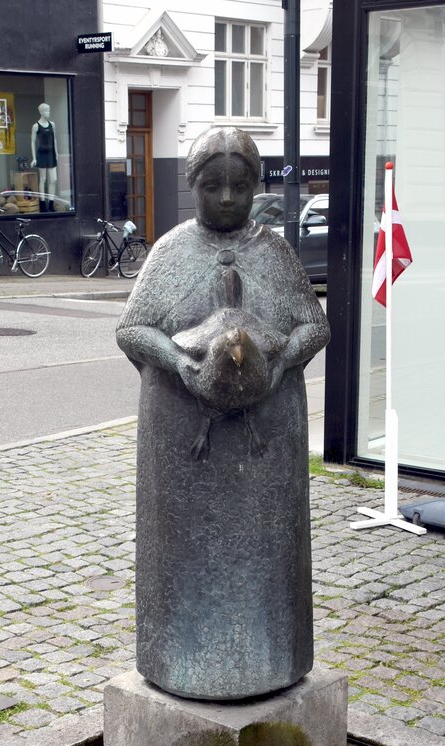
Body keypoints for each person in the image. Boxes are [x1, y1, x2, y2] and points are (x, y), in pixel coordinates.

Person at [116, 126, 330, 701]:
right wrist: (178, 361)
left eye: (240, 186)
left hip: (268, 436)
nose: (229, 198)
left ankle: (272, 657)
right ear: (193, 187)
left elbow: (315, 325)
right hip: (181, 433)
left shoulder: (275, 252)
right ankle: (175, 656)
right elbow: (132, 329)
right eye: (214, 186)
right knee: (181, 545)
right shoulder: (170, 252)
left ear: (256, 185)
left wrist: (282, 361)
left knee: (269, 546)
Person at [31, 103, 57, 212]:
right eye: (46, 111)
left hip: (51, 154)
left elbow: (54, 139)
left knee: (54, 179)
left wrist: (57, 153)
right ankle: (42, 203)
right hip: (41, 154)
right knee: (43, 179)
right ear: (41, 112)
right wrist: (34, 158)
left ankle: (51, 203)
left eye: (49, 110)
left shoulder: (52, 124)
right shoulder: (36, 126)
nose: (48, 113)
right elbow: (32, 142)